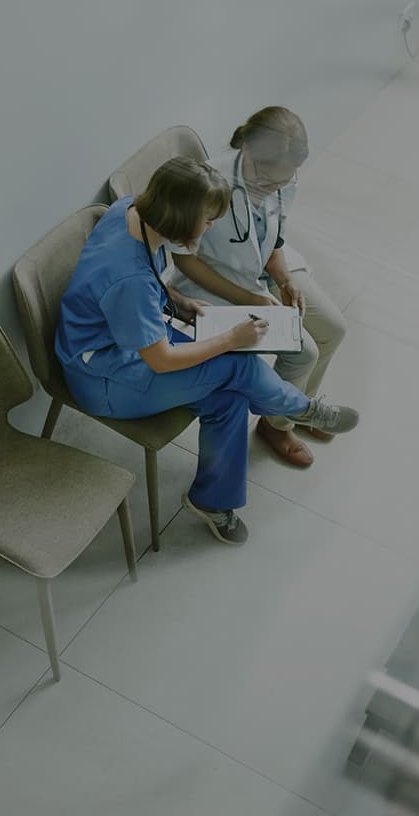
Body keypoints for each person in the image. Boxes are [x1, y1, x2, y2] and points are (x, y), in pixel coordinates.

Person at [55, 156, 341, 545]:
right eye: (206, 221)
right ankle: (297, 406)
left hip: (123, 345)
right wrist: (230, 340)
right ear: (180, 218)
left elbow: (148, 282)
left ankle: (211, 500)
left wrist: (176, 301)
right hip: (104, 379)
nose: (209, 229)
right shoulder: (130, 281)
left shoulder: (131, 212)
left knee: (230, 399)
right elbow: (161, 358)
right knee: (237, 365)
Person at [169, 106, 357, 469]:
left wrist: (285, 280)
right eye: (269, 181)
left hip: (262, 269)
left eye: (283, 183)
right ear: (249, 152)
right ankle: (277, 425)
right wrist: (249, 297)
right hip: (212, 283)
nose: (276, 189)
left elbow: (274, 240)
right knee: (303, 350)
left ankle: (302, 409)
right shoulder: (210, 181)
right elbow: (182, 258)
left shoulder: (286, 177)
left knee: (334, 329)